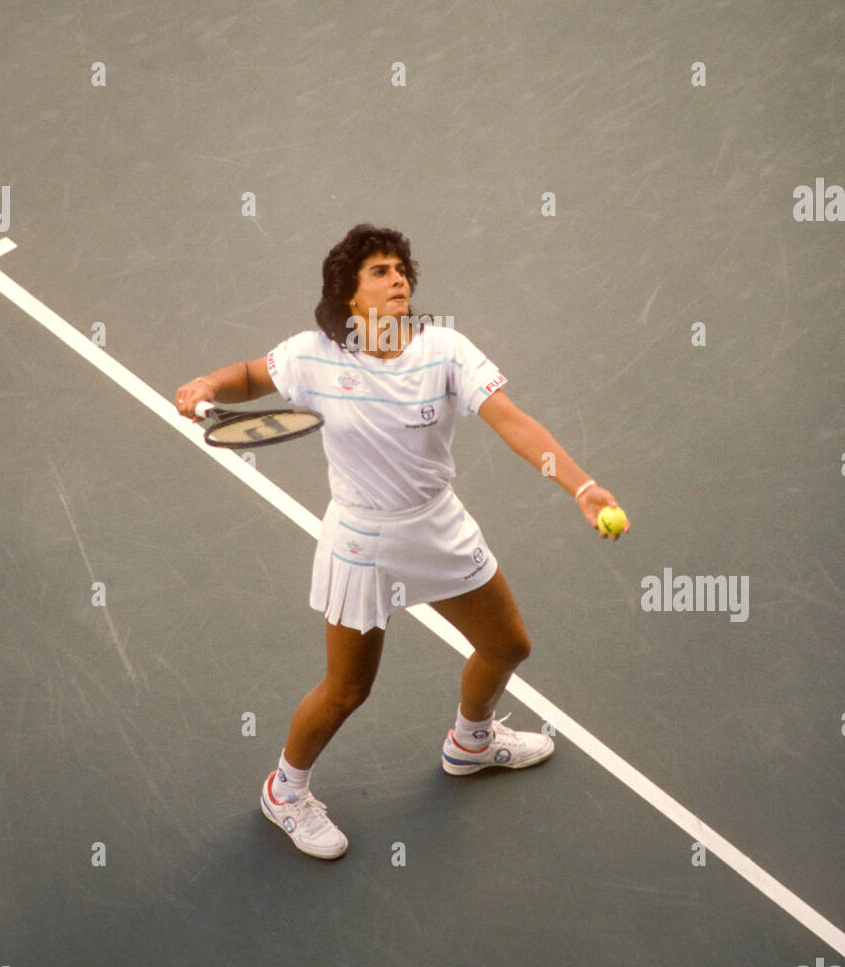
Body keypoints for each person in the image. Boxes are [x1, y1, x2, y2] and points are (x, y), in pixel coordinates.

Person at [175, 224, 629, 860]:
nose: (399, 280)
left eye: (400, 270)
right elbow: (252, 374)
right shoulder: (313, 355)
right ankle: (285, 790)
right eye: (380, 272)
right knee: (348, 689)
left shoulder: (444, 349)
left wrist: (581, 487)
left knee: (507, 645)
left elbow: (512, 421)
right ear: (350, 295)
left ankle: (470, 743)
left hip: (437, 524)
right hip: (362, 540)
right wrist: (207, 385)